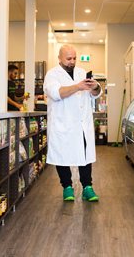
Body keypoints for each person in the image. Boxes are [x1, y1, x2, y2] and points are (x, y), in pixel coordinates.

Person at [44, 45, 102, 201]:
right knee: (62, 155)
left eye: (74, 58)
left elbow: (95, 94)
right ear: (60, 58)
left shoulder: (82, 73)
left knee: (84, 154)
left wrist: (95, 87)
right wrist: (78, 86)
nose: (72, 61)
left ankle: (87, 187)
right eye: (68, 58)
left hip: (81, 124)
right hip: (62, 123)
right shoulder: (52, 75)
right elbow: (56, 93)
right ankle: (67, 187)